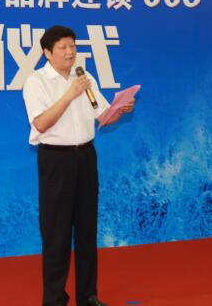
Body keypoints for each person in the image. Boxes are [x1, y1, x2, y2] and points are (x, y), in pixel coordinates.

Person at [22, 25, 135, 306]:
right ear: (47, 52)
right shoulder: (36, 82)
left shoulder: (84, 77)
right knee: (56, 234)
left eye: (72, 46)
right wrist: (70, 94)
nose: (70, 52)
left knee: (86, 231)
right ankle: (54, 300)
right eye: (62, 47)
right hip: (55, 160)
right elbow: (41, 123)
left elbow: (103, 116)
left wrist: (120, 110)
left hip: (85, 157)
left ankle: (88, 297)